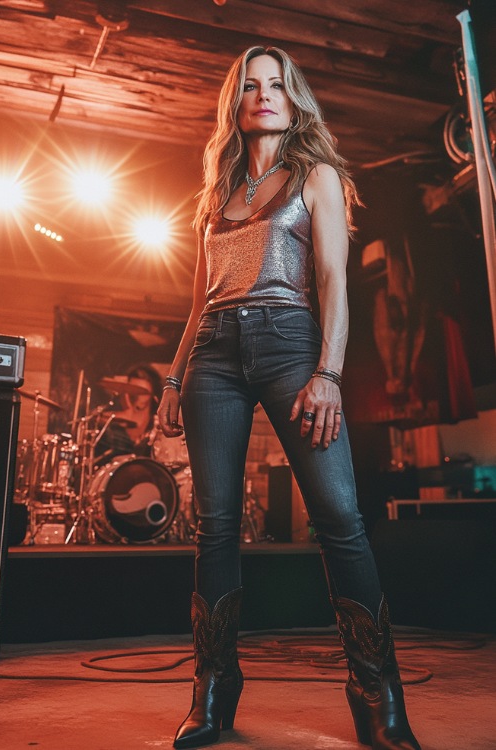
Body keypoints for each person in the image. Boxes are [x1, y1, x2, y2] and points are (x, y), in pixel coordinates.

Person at [157, 46, 421, 750]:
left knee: (339, 515)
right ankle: (213, 691)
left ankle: (377, 694)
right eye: (250, 85)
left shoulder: (317, 175)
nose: (264, 95)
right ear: (235, 103)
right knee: (215, 525)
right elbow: (197, 302)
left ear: (293, 97)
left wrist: (328, 373)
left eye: (277, 84)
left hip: (291, 343)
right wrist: (173, 378)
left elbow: (334, 279)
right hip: (213, 351)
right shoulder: (214, 194)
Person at [95, 363, 162, 464]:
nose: (137, 396)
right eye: (133, 390)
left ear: (153, 395)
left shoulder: (157, 425)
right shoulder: (113, 424)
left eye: (142, 392)